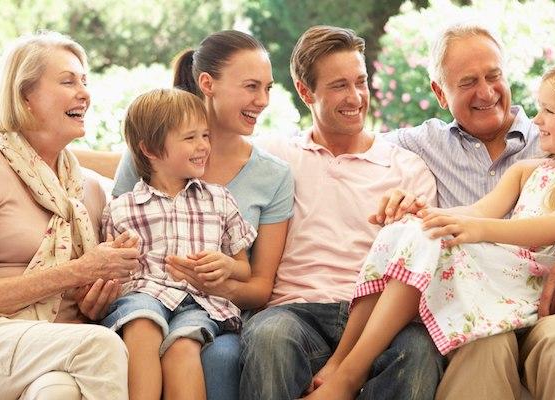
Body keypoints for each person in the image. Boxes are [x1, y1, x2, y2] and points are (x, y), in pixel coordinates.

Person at [305, 58, 555, 399]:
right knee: (411, 231)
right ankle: (342, 362)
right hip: (502, 282)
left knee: (427, 239)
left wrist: (476, 229)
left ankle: (348, 376)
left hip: (537, 286)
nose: (538, 120)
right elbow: (478, 210)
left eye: (549, 111)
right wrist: (424, 214)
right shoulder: (528, 171)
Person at [373, 23, 555, 400]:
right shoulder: (419, 144)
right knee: (483, 343)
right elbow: (352, 142)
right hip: (482, 309)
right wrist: (417, 210)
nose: (486, 92)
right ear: (439, 93)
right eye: (467, 83)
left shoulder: (551, 145)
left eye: (494, 75)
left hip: (550, 307)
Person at [184, 25, 441, 400]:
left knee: (419, 350)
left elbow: (422, 264)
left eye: (361, 82)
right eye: (339, 86)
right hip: (295, 313)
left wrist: (413, 212)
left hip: (376, 320)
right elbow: (188, 151)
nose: (355, 97)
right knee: (270, 336)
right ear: (306, 92)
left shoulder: (407, 168)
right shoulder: (275, 157)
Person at [107, 30, 294, 400]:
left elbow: (259, 286)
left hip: (213, 309)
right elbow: (114, 251)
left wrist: (218, 278)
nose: (263, 100)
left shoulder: (271, 175)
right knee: (141, 327)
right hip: (146, 298)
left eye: (268, 88)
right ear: (207, 83)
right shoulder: (145, 160)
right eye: (251, 87)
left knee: (212, 353)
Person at [0, 31, 141, 400]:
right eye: (67, 81)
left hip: (54, 345)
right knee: (101, 346)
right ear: (25, 96)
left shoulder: (89, 189)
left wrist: (95, 298)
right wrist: (79, 270)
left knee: (61, 391)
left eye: (85, 81)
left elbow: (85, 300)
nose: (84, 93)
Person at [101, 87, 257, 400]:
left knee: (183, 348)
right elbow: (109, 275)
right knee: (142, 325)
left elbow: (244, 270)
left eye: (205, 136)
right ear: (151, 150)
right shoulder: (123, 207)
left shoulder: (219, 200)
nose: (203, 146)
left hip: (199, 302)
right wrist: (121, 258)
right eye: (190, 138)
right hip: (145, 295)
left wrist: (226, 265)